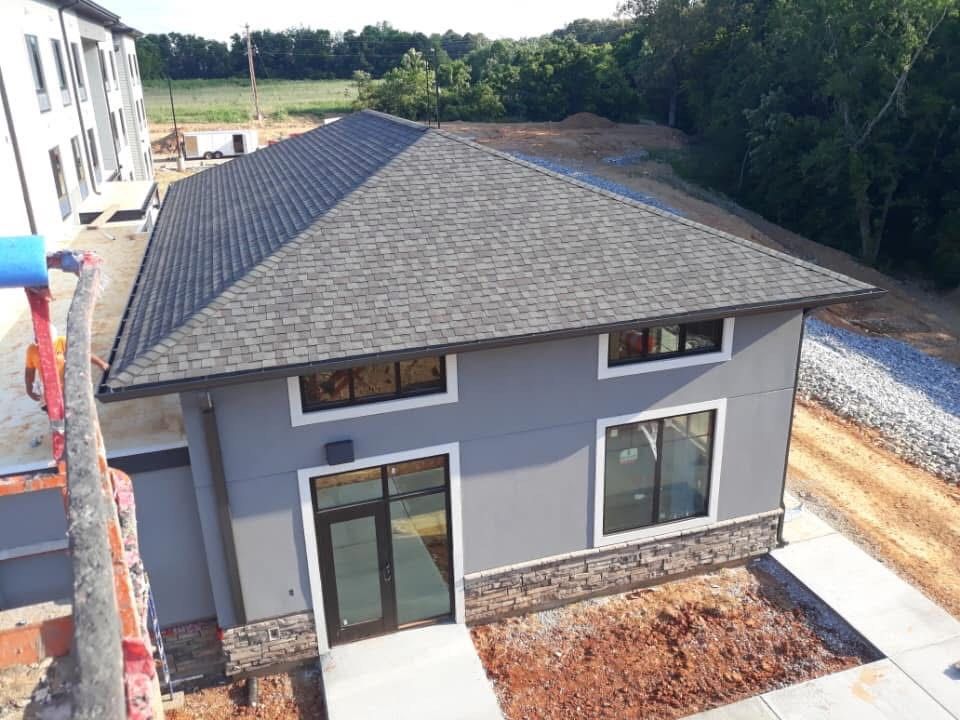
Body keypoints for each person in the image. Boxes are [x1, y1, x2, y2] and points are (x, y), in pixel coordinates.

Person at [24, 326, 109, 407]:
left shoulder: (62, 342)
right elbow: (29, 372)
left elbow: (82, 353)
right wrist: (29, 390)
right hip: (51, 393)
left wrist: (101, 364)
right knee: (58, 416)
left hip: (71, 386)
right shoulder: (32, 350)